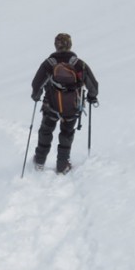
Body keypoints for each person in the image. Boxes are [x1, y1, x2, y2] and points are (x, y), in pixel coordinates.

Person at [30, 33, 99, 174]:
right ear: (70, 45)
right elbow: (93, 85)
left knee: (46, 131)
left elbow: (36, 84)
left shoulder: (49, 63)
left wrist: (36, 96)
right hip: (72, 108)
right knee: (66, 133)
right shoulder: (79, 64)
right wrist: (92, 97)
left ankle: (39, 161)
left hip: (50, 106)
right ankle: (62, 165)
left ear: (56, 45)